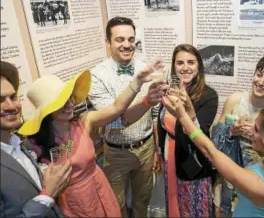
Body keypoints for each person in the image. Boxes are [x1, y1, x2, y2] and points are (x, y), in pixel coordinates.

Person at [18, 61, 163, 217]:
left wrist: (137, 83)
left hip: (100, 189)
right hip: (73, 203)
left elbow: (117, 109)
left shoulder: (84, 122)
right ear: (47, 111)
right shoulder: (34, 145)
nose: (69, 105)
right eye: (61, 102)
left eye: (70, 98)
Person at [162, 93, 264, 217]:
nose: (250, 131)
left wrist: (181, 116)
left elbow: (210, 152)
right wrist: (192, 117)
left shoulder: (260, 187)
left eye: (256, 130)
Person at [88, 16, 166, 217]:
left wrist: (156, 149)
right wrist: (146, 99)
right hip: (116, 153)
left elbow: (154, 113)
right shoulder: (96, 76)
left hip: (146, 147)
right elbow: (114, 121)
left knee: (142, 200)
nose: (127, 45)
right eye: (120, 39)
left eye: (131, 40)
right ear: (108, 43)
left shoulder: (144, 66)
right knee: (117, 206)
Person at [212, 54, 264, 216]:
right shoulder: (235, 100)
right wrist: (232, 131)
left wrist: (256, 135)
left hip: (256, 181)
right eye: (259, 75)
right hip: (228, 177)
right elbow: (215, 137)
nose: (260, 82)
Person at [0, 61, 71, 217]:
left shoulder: (18, 143)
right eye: (0, 100)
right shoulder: (30, 141)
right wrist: (48, 193)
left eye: (13, 97)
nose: (11, 106)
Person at [156, 44, 218, 217]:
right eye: (180, 63)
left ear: (199, 66)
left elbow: (201, 134)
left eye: (191, 62)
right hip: (170, 156)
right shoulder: (168, 90)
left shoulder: (209, 95)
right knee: (173, 201)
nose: (185, 68)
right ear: (173, 66)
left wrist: (189, 111)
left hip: (192, 159)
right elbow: (161, 124)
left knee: (193, 207)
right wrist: (159, 152)